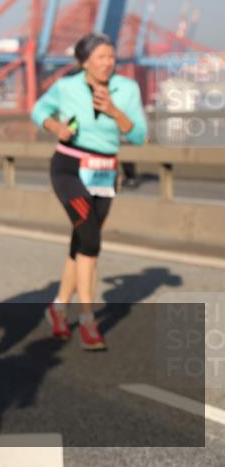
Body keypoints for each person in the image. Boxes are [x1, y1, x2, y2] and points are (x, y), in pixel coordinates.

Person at [32, 32, 147, 351]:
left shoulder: (128, 89)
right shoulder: (66, 87)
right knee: (91, 240)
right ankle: (87, 320)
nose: (108, 63)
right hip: (69, 168)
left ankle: (57, 309)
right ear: (84, 62)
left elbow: (139, 137)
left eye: (111, 57)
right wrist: (55, 127)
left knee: (82, 240)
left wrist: (115, 112)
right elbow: (39, 109)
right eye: (100, 57)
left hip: (106, 173)